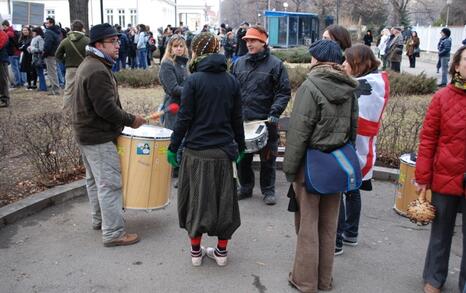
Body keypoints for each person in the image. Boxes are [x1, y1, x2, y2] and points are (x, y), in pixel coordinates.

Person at [283, 39, 358, 293]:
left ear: (317, 59)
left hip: (310, 166)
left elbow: (298, 133)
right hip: (336, 166)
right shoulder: (349, 88)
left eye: (312, 57)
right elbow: (352, 130)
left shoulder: (310, 87)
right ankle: (324, 280)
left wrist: (290, 170)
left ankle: (305, 281)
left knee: (307, 225)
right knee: (329, 225)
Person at [167, 32, 245, 267]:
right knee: (224, 203)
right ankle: (221, 253)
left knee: (195, 203)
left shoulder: (193, 80)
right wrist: (240, 147)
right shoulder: (231, 80)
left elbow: (184, 118)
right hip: (223, 153)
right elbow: (237, 119)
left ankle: (195, 253)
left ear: (197, 51)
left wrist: (173, 147)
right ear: (217, 49)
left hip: (196, 153)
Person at [71, 23, 146, 247]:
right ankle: (113, 232)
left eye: (118, 40)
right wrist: (132, 120)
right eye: (112, 42)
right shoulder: (96, 70)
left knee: (94, 182)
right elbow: (106, 109)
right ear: (98, 45)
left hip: (87, 133)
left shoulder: (92, 64)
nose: (117, 45)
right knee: (109, 184)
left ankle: (100, 220)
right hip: (97, 136)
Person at [415, 45, 466, 293]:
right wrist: (423, 177)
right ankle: (434, 278)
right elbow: (428, 140)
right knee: (441, 232)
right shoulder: (442, 98)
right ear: (456, 65)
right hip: (445, 175)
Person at [335, 44, 390, 256]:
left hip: (353, 146)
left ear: (358, 64)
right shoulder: (372, 82)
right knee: (352, 189)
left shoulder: (366, 85)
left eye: (347, 62)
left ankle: (337, 240)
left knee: (341, 189)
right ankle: (350, 233)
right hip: (359, 147)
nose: (343, 65)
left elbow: (361, 122)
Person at [232, 25, 291, 205]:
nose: (249, 44)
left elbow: (283, 92)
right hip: (243, 121)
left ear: (263, 42)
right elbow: (231, 90)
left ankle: (268, 190)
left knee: (268, 159)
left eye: (253, 40)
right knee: (243, 159)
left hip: (266, 121)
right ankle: (246, 187)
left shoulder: (276, 64)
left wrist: (274, 112)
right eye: (247, 41)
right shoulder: (238, 63)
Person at [55, 20, 89, 111]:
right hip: (85, 68)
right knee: (85, 90)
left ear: (71, 28)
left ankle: (66, 110)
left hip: (70, 68)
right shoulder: (87, 40)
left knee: (69, 90)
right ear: (82, 29)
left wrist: (66, 61)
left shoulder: (65, 41)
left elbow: (57, 55)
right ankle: (83, 109)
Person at [159, 35, 189, 130]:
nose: (179, 49)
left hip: (185, 106)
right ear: (170, 48)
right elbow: (173, 89)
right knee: (173, 138)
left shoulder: (184, 64)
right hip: (174, 107)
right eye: (175, 46)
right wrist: (193, 91)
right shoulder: (167, 64)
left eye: (181, 46)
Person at [43, 17, 62, 95]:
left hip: (50, 54)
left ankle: (55, 90)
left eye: (47, 23)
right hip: (54, 53)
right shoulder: (56, 31)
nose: (45, 24)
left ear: (51, 23)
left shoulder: (49, 32)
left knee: (52, 72)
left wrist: (44, 53)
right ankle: (55, 88)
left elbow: (48, 44)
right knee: (54, 71)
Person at [2, 20, 23, 88]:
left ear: (5, 25)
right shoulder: (14, 31)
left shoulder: (8, 33)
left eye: (3, 26)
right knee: (18, 68)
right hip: (17, 52)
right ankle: (21, 81)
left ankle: (17, 83)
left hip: (12, 53)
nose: (2, 28)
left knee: (15, 69)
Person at [28, 27, 47, 92]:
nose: (32, 33)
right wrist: (30, 49)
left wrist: (33, 49)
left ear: (37, 32)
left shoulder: (40, 38)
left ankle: (43, 87)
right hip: (34, 57)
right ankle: (42, 87)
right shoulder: (34, 38)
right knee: (39, 73)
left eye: (33, 32)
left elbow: (41, 49)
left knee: (40, 73)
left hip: (38, 58)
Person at [18, 26, 37, 90]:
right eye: (23, 30)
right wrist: (22, 48)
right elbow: (20, 46)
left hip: (31, 56)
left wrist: (24, 47)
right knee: (27, 71)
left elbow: (31, 46)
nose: (25, 31)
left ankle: (34, 84)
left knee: (33, 70)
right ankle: (29, 84)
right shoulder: (22, 38)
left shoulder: (31, 38)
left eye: (26, 30)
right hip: (25, 56)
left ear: (29, 31)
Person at [0, 28, 10, 107]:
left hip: (2, 60)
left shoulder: (2, 34)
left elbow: (1, 45)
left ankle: (5, 99)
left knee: (2, 80)